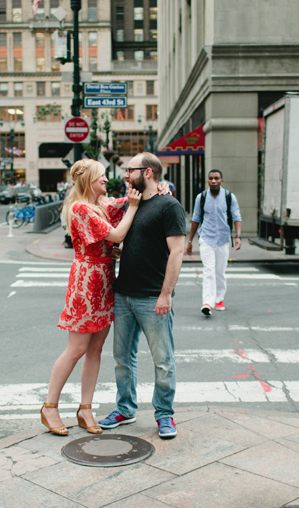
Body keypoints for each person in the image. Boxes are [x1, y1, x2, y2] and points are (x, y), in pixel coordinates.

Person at [40, 159, 142, 436]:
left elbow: (116, 205)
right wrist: (133, 207)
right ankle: (50, 406)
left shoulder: (97, 205)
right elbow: (118, 233)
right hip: (86, 284)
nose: (106, 181)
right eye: (102, 177)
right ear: (88, 181)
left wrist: (151, 191)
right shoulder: (80, 207)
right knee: (76, 350)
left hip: (104, 279)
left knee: (95, 350)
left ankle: (86, 409)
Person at [98, 153, 187, 439]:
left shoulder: (169, 205)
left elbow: (177, 251)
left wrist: (166, 294)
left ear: (147, 172)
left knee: (163, 360)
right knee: (123, 357)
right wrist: (122, 252)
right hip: (124, 294)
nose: (125, 174)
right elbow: (139, 241)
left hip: (153, 297)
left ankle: (164, 414)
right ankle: (125, 408)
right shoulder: (132, 206)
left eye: (129, 169)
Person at [186, 169, 242, 315]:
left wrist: (238, 236)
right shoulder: (201, 197)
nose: (213, 181)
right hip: (206, 238)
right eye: (210, 178)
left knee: (220, 272)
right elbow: (195, 219)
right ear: (208, 180)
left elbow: (237, 217)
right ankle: (207, 303)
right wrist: (190, 241)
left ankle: (219, 299)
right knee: (209, 271)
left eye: (216, 178)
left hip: (223, 239)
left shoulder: (229, 197)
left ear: (221, 181)